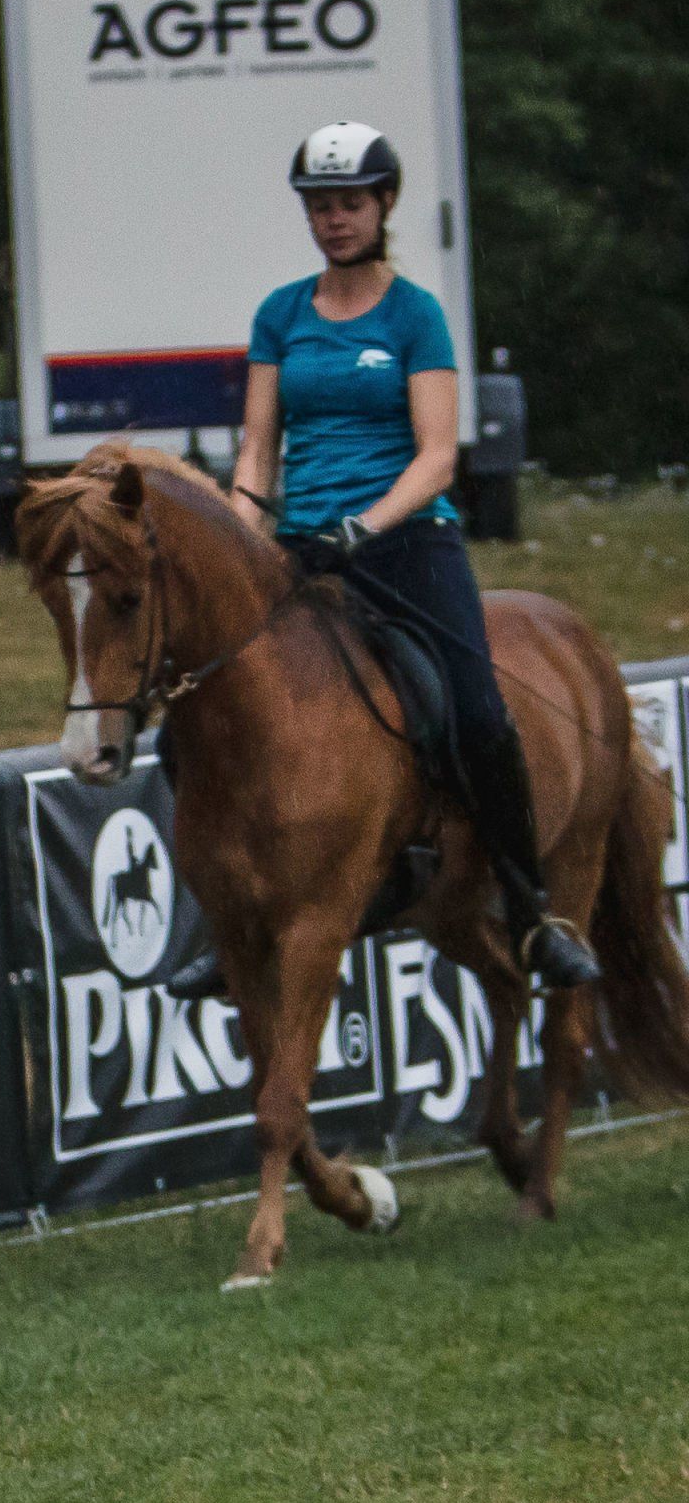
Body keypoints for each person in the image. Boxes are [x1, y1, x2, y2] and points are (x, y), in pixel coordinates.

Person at [167, 119, 600, 1003]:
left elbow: (437, 457)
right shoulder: (281, 314)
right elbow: (257, 451)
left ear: (385, 204)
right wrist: (244, 537)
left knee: (477, 712)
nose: (334, 219)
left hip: (407, 541)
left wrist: (363, 527)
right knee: (190, 722)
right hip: (299, 548)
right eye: (320, 205)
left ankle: (529, 913)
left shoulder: (415, 315)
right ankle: (221, 924)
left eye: (350, 203)